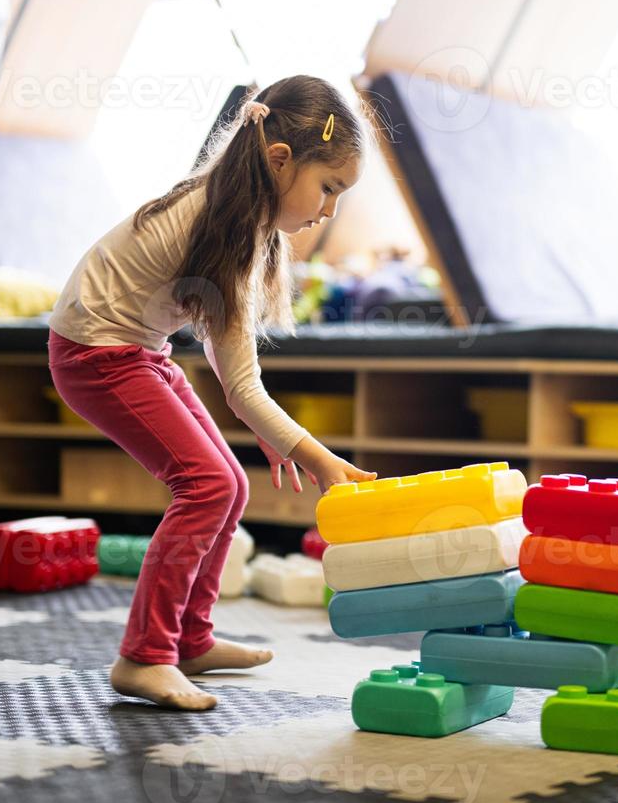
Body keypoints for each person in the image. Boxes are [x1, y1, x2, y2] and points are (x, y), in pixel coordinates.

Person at [48, 75, 376, 709]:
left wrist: (285, 440)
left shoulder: (241, 219)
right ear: (280, 160)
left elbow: (238, 381)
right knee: (209, 484)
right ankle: (145, 656)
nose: (329, 210)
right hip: (96, 353)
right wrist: (321, 460)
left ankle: (190, 639)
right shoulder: (221, 228)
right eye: (328, 187)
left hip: (136, 350)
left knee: (231, 483)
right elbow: (243, 387)